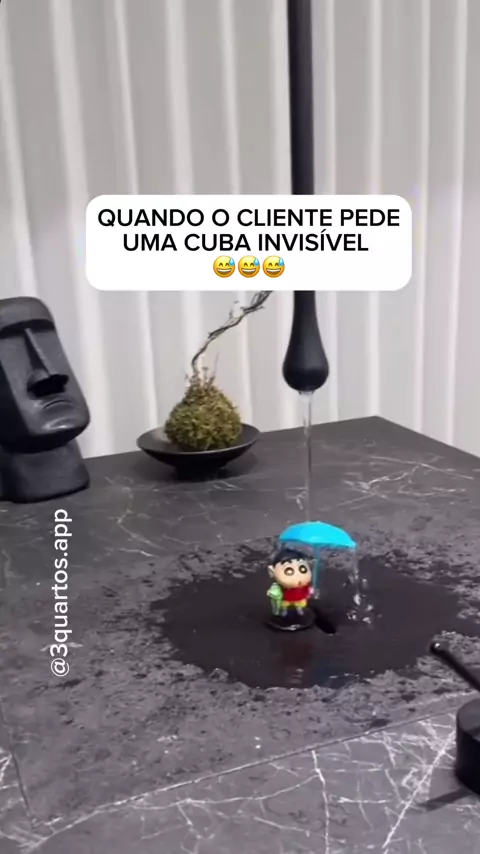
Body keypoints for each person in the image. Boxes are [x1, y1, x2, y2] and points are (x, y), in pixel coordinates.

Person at [267, 546, 314, 618]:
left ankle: (299, 610)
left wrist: (310, 591)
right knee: (284, 605)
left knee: (298, 605)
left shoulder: (305, 585)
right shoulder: (280, 586)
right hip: (287, 598)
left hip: (299, 597)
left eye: (302, 569)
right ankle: (284, 611)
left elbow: (307, 589)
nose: (298, 577)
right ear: (272, 572)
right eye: (289, 571)